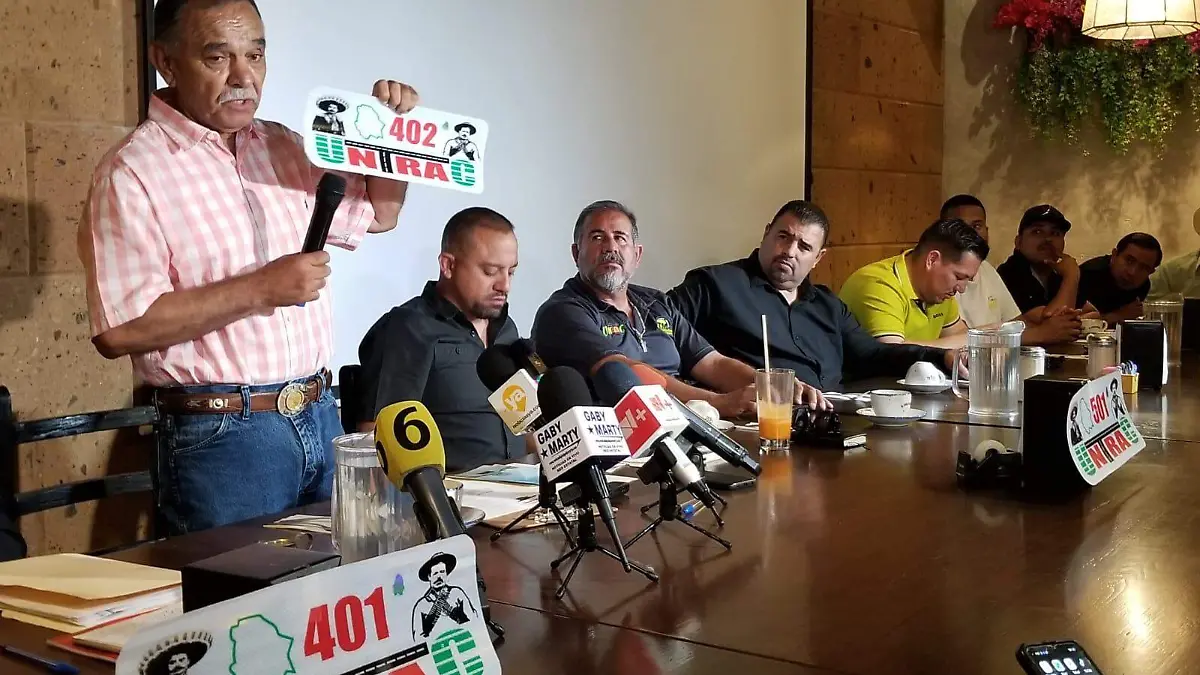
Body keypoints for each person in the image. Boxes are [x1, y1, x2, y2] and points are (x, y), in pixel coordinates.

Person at [78, 0, 420, 533]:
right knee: (239, 586)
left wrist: (391, 137)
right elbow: (120, 329)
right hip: (223, 437)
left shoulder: (285, 145)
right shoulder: (132, 172)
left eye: (255, 55)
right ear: (165, 61)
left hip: (318, 412)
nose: (243, 77)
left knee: (339, 578)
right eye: (218, 58)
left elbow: (379, 213)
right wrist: (260, 289)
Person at [532, 200, 827, 417]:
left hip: (694, 428)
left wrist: (776, 386)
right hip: (630, 440)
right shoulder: (563, 312)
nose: (610, 247)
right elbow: (624, 372)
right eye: (597, 238)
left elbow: (712, 364)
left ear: (637, 255)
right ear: (576, 253)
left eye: (620, 238)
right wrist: (718, 404)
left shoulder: (656, 303)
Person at [667, 200, 954, 391]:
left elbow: (873, 355)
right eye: (783, 237)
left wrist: (944, 358)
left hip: (836, 422)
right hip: (760, 425)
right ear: (766, 234)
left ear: (818, 258)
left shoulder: (828, 306)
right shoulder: (715, 284)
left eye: (804, 247)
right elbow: (658, 326)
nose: (789, 251)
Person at [357, 208, 526, 472]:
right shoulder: (409, 328)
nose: (504, 285)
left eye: (511, 272)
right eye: (490, 271)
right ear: (448, 265)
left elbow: (522, 423)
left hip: (521, 481)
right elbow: (375, 437)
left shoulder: (506, 327)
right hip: (451, 489)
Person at [941, 195, 1081, 345]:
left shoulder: (986, 268)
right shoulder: (943, 275)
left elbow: (1014, 322)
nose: (1047, 240)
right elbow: (961, 341)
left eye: (977, 226)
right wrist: (1040, 333)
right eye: (1037, 232)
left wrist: (1055, 323)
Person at [839, 219, 985, 348]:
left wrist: (975, 338)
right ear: (932, 260)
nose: (962, 289)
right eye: (959, 277)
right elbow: (894, 355)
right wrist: (980, 337)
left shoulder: (938, 291)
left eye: (967, 279)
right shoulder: (878, 284)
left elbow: (959, 335)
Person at [996, 205, 1089, 316]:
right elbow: (1053, 322)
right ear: (1018, 242)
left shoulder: (1056, 274)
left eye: (1055, 233)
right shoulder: (1007, 276)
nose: (1048, 239)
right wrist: (1071, 276)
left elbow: (1090, 311)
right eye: (1037, 232)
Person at [1078, 233, 1162, 323]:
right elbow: (1073, 322)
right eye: (1129, 261)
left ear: (1151, 272)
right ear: (1114, 255)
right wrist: (1117, 316)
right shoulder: (1087, 274)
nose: (1132, 272)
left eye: (1144, 268)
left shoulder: (1143, 285)